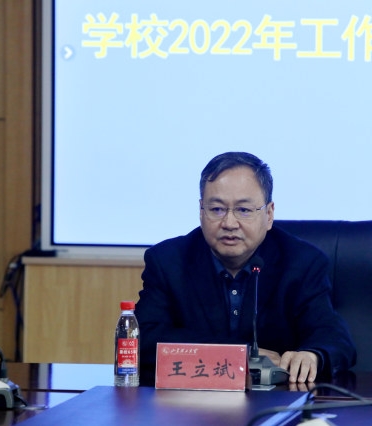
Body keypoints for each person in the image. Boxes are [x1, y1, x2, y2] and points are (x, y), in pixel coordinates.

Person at [135, 152, 355, 385]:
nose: (229, 223)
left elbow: (333, 337)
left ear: (269, 214)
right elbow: (143, 338)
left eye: (244, 210)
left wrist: (314, 355)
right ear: (201, 211)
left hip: (277, 401)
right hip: (193, 400)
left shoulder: (303, 263)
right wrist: (240, 353)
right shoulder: (168, 261)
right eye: (217, 209)